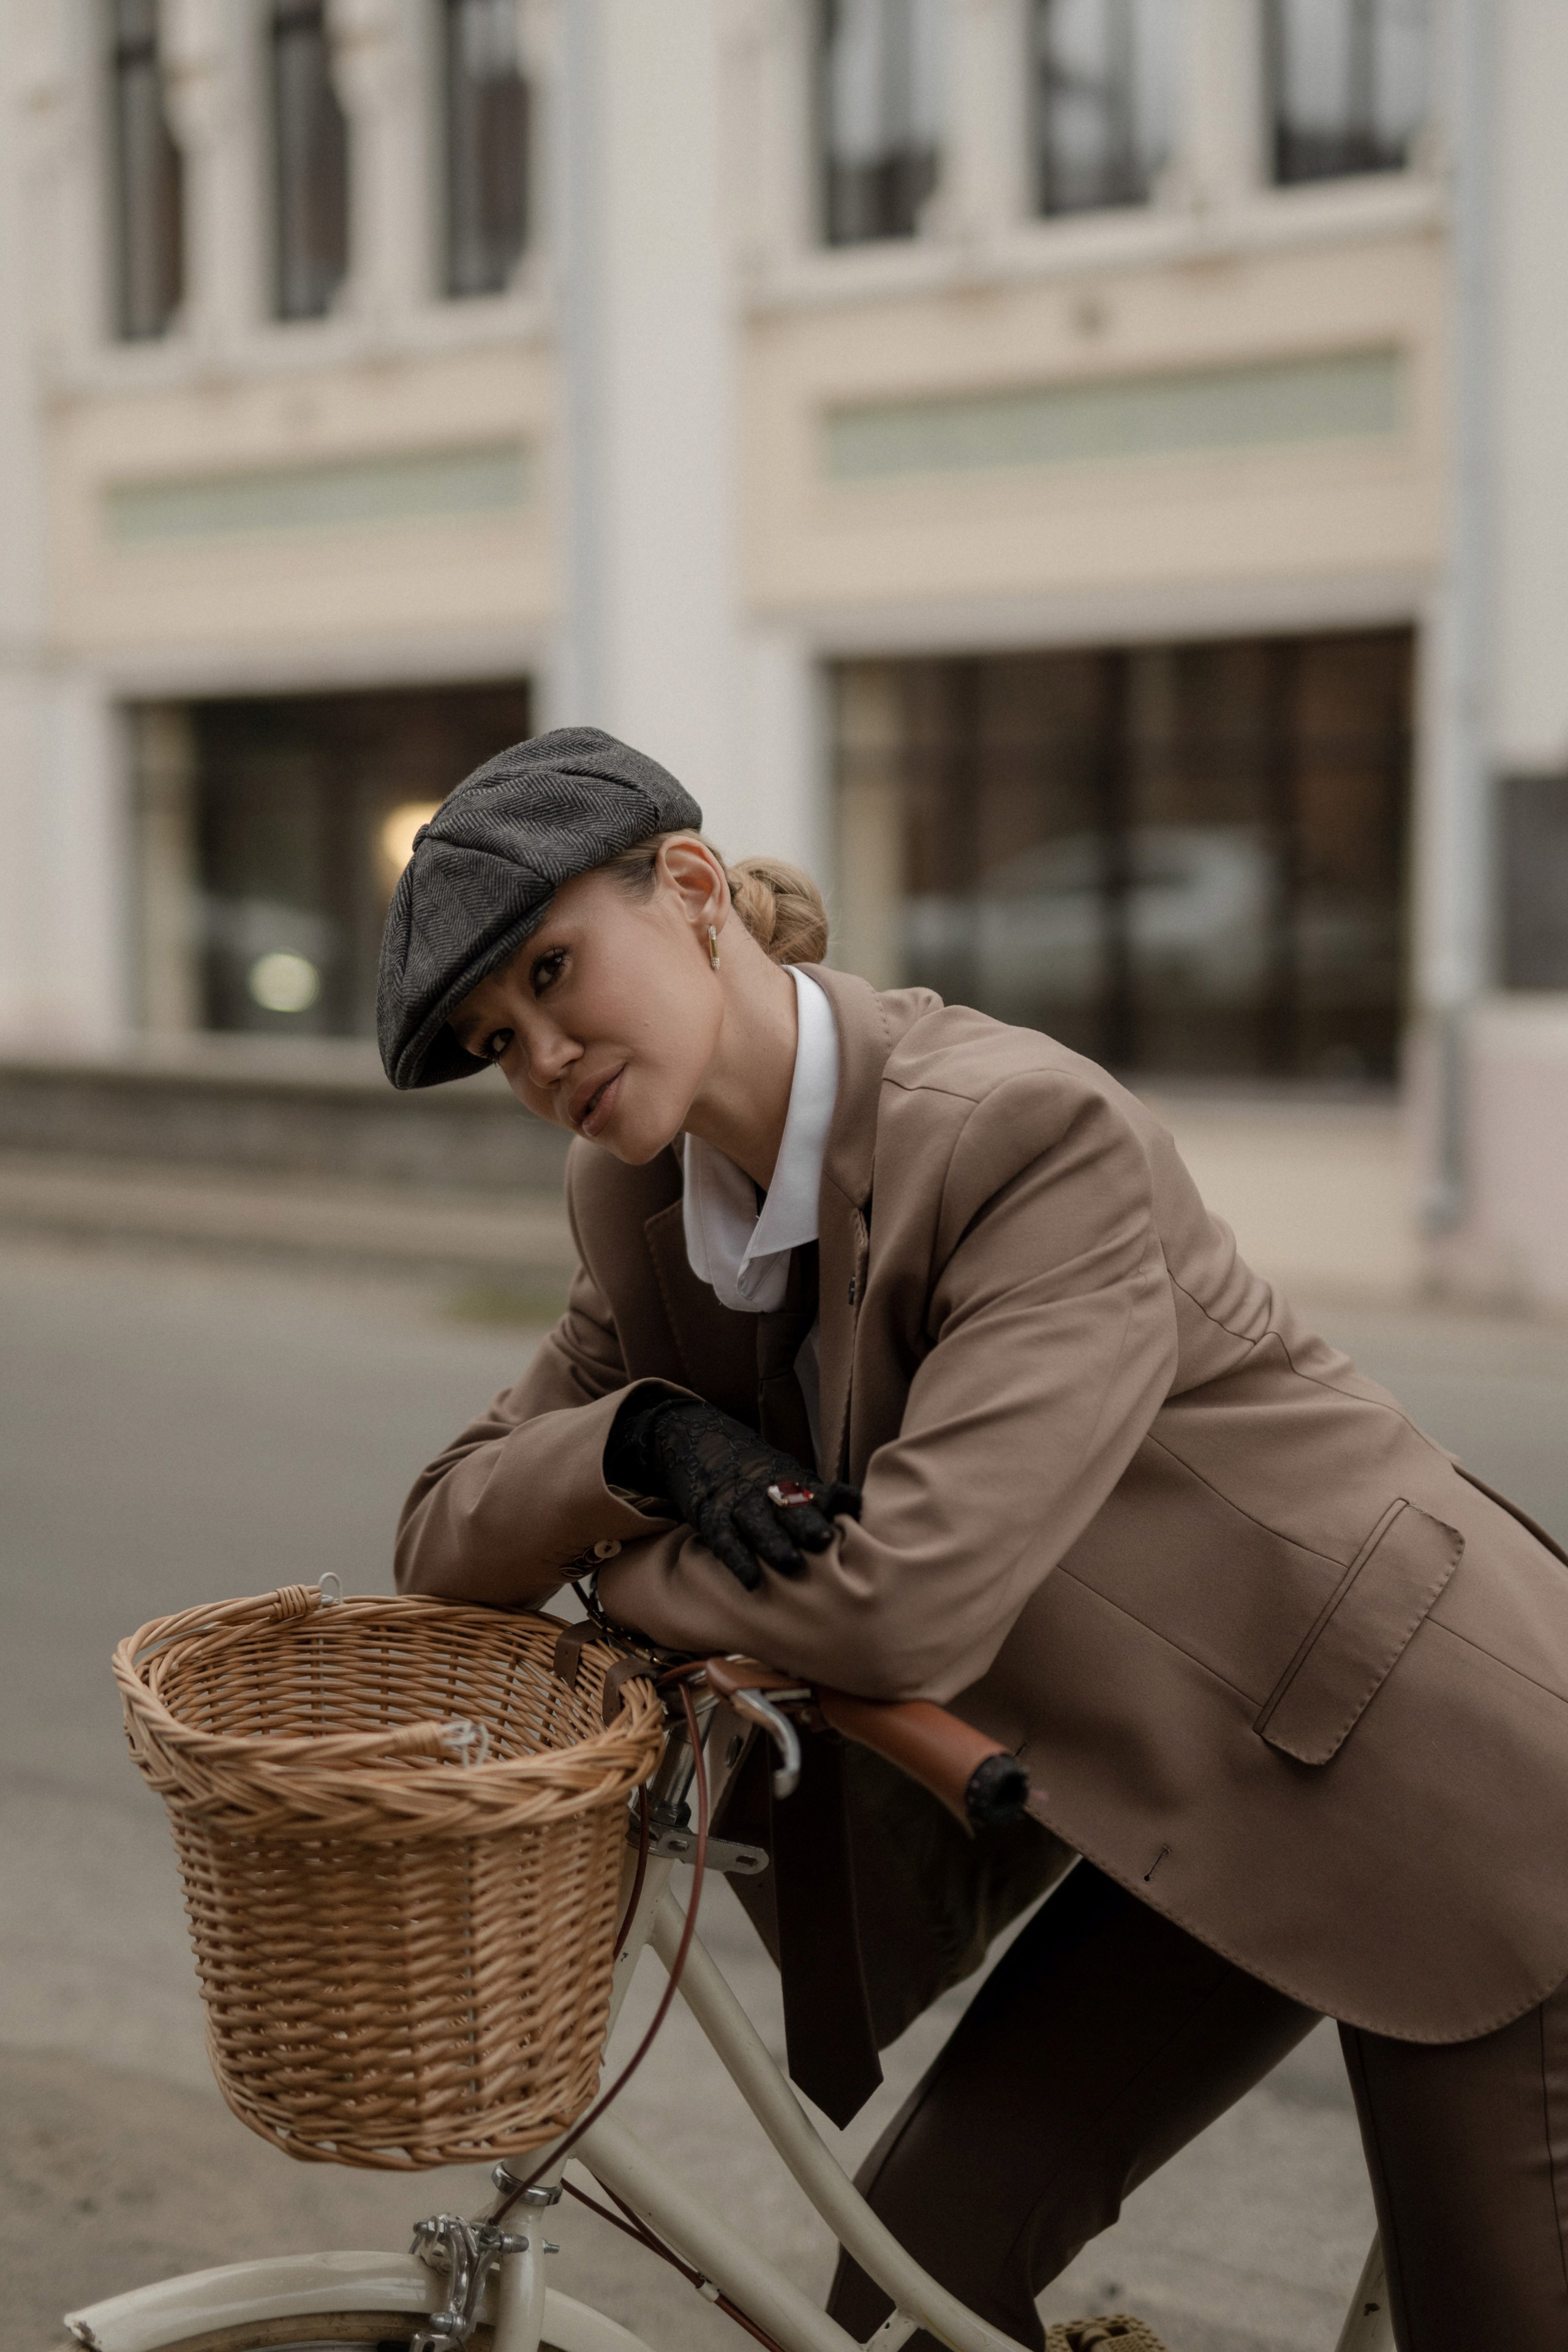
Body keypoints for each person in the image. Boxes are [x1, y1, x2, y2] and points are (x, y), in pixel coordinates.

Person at [379, 726, 1568, 2352]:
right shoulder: (640, 1202)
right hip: (1194, 1796)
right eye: (494, 1037)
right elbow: (444, 1533)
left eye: (552, 972)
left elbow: (899, 1611)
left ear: (693, 889)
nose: (540, 1055)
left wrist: (627, 1566)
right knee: (903, 2289)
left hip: (1454, 1788)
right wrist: (646, 1442)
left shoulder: (1017, 1132)